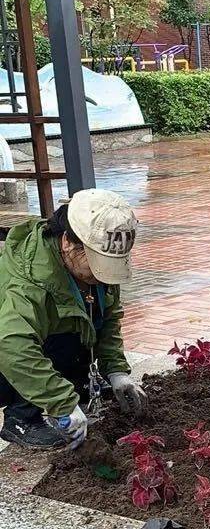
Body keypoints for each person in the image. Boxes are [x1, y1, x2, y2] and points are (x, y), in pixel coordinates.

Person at [0, 188, 146, 450]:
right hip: (5, 356)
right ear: (67, 241)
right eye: (96, 262)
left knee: (78, 328)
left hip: (25, 345)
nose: (101, 275)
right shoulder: (29, 281)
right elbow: (12, 345)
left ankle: (72, 386)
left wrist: (115, 371)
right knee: (51, 340)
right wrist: (61, 403)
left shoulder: (92, 267)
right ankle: (21, 419)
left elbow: (108, 317)